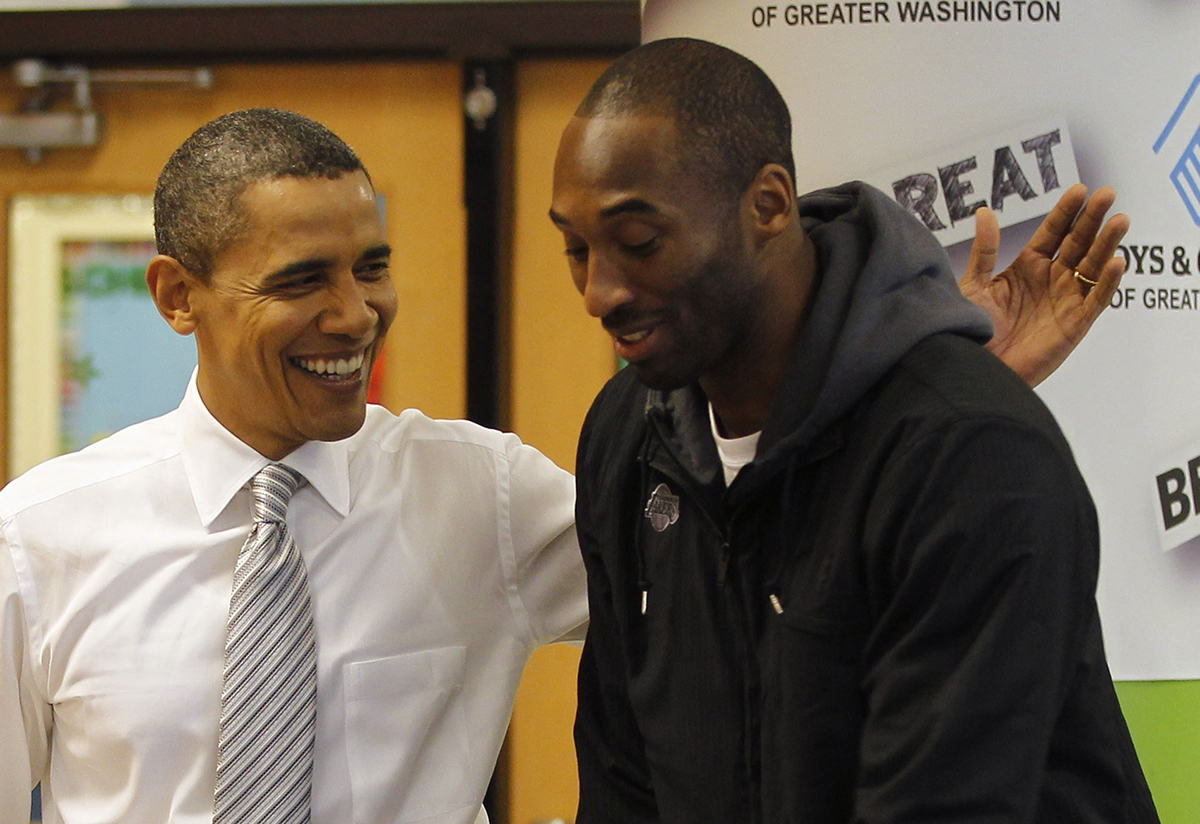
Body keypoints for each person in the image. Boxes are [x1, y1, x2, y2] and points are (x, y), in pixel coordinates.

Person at [552, 37, 1157, 823]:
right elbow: (623, 780)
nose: (598, 292)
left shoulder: (972, 455)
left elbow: (944, 804)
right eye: (574, 247)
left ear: (769, 205)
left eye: (639, 244)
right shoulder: (626, 435)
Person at [0, 109, 587, 824]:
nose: (355, 315)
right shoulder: (37, 539)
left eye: (371, 269)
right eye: (302, 281)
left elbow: (719, 593)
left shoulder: (482, 496)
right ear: (177, 297)